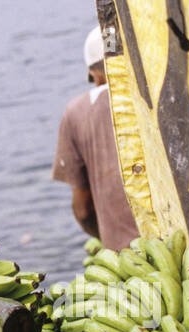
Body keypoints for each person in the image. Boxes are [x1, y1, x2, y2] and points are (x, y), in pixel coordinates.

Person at [52, 27, 140, 251]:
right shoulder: (146, 91)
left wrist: (107, 237)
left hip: (126, 254)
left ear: (95, 73)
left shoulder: (76, 112)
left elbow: (82, 209)